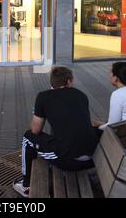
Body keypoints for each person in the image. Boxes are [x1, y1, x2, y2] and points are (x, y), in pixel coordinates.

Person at [12, 66, 99, 198]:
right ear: (69, 81)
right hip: (91, 159)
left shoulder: (43, 97)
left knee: (28, 137)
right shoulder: (81, 95)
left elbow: (35, 130)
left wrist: (38, 111)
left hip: (69, 161)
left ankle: (26, 185)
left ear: (52, 83)